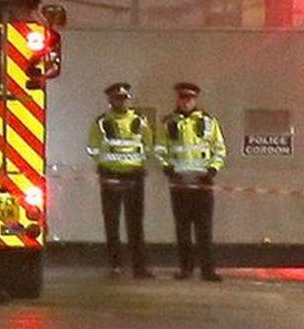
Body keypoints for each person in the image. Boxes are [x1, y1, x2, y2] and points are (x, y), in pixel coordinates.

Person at [157, 82, 225, 281]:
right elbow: (161, 149)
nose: (186, 102)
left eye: (189, 99)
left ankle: (207, 270)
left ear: (195, 100)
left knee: (204, 229)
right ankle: (186, 268)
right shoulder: (168, 123)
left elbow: (219, 149)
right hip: (179, 184)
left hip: (202, 182)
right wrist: (167, 167)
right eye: (182, 98)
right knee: (183, 229)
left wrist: (212, 169)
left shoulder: (209, 122)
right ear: (178, 99)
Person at [87, 82, 153, 278]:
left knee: (135, 224)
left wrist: (139, 165)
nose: (120, 102)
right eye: (117, 98)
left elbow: (148, 145)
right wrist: (106, 167)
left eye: (123, 98)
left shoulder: (139, 120)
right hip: (110, 176)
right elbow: (93, 148)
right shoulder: (101, 122)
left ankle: (139, 267)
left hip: (134, 176)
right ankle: (116, 265)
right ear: (110, 100)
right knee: (112, 223)